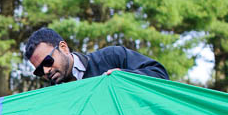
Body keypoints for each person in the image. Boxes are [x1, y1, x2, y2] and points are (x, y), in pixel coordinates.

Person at [24, 27, 169, 85]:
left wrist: (125, 77)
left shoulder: (112, 56)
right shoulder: (52, 97)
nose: (46, 71)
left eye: (47, 62)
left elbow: (160, 75)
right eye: (39, 71)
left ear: (64, 47)